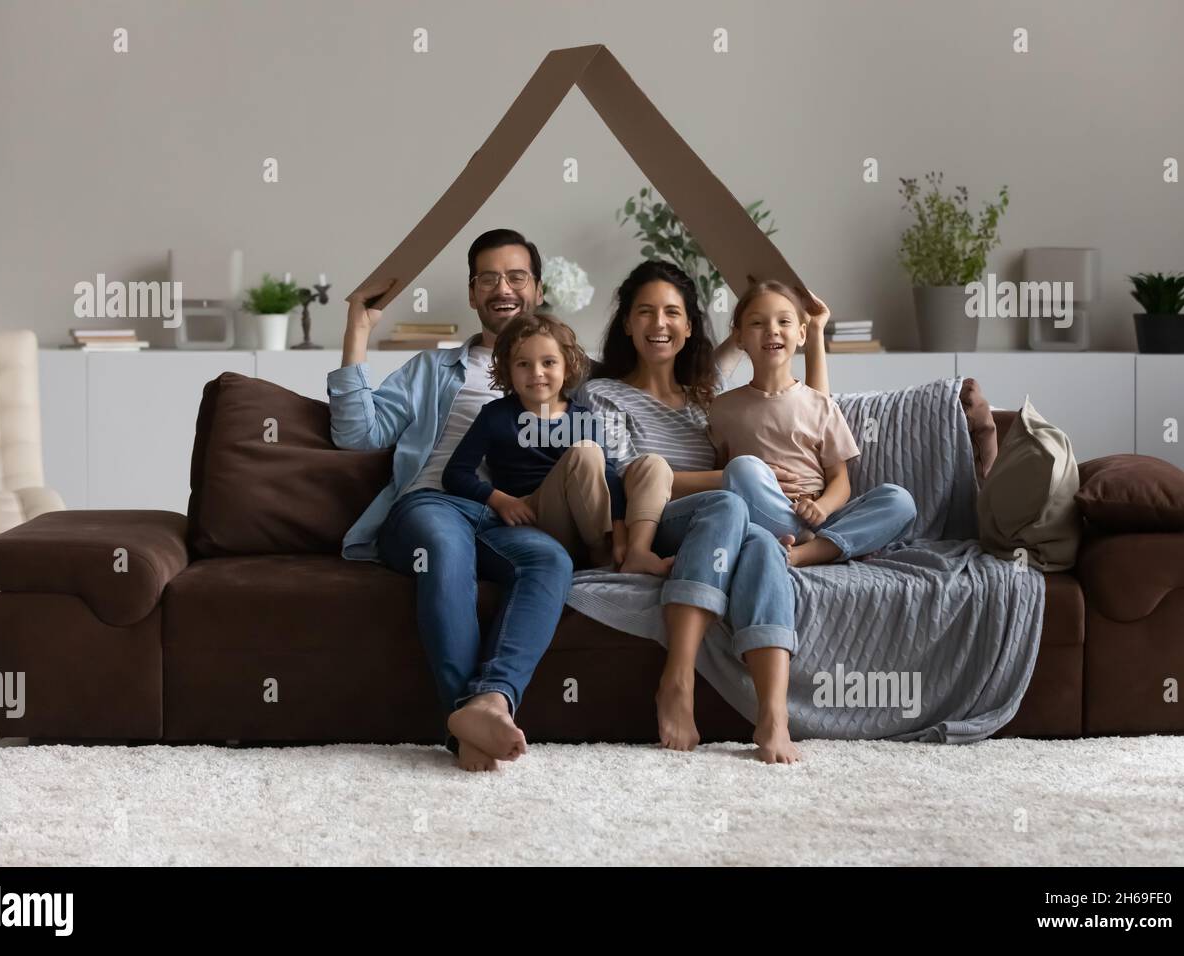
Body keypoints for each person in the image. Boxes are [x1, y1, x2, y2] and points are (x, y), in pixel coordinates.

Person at [328, 228, 573, 773]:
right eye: (488, 277)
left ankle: (491, 700)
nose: (502, 287)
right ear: (471, 293)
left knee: (550, 559)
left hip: (505, 521)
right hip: (431, 506)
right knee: (444, 545)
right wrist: (358, 331)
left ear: (536, 287)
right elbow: (356, 435)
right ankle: (464, 719)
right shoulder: (432, 369)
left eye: (515, 276)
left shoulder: (561, 371)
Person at [575, 260, 834, 764]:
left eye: (672, 312)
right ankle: (678, 680)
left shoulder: (706, 397)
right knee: (731, 503)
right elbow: (630, 472)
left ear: (690, 326)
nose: (659, 323)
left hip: (729, 524)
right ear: (626, 323)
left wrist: (813, 328)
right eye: (645, 312)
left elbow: (811, 407)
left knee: (762, 545)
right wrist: (738, 474)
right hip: (663, 520)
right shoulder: (601, 394)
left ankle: (773, 714)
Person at [443, 313, 674, 574]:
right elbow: (455, 474)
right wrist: (501, 501)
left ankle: (636, 551)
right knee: (586, 452)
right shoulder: (495, 415)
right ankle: (602, 554)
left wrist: (620, 532)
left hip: (588, 518)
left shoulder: (583, 417)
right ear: (508, 369)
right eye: (523, 364)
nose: (537, 373)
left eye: (549, 362)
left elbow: (608, 477)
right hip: (536, 517)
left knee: (654, 465)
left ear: (567, 367)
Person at [710, 280, 917, 568]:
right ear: (739, 337)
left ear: (801, 333)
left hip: (823, 516)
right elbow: (723, 478)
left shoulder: (820, 405)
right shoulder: (722, 409)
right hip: (767, 516)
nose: (772, 330)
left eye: (784, 321)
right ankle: (815, 546)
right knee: (740, 470)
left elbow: (840, 481)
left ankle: (805, 552)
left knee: (900, 500)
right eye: (757, 323)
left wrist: (821, 507)